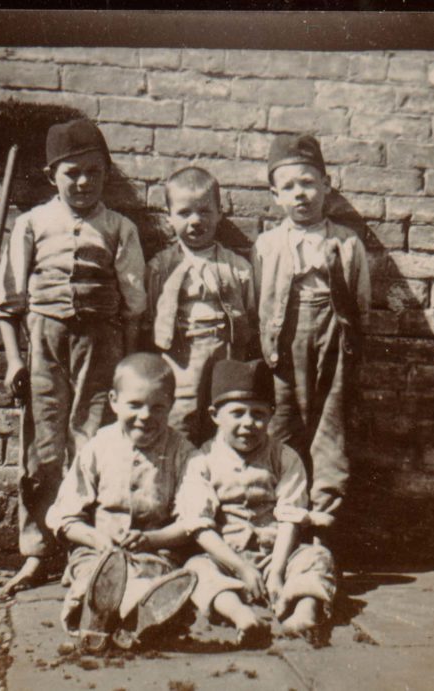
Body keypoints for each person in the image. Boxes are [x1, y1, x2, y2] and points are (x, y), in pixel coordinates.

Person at [0, 119, 147, 594]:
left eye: (93, 172)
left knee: (94, 444)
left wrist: (128, 366)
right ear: (51, 176)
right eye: (72, 173)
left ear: (106, 174)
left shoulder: (119, 228)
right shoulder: (32, 224)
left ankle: (86, 553)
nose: (83, 183)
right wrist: (14, 360)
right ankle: (37, 551)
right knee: (41, 450)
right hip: (44, 343)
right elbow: (8, 304)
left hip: (102, 347)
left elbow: (134, 307)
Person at [251, 134, 371, 545]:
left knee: (330, 427)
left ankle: (323, 523)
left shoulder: (347, 242)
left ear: (326, 185)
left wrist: (349, 344)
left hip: (334, 338)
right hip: (283, 344)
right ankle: (278, 525)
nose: (300, 194)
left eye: (307, 183)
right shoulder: (267, 245)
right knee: (283, 424)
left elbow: (361, 302)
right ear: (275, 196)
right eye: (288, 187)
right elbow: (259, 300)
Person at [176, 359, 336, 646]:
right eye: (237, 413)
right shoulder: (201, 461)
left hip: (276, 553)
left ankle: (304, 612)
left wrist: (277, 571)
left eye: (258, 414)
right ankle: (242, 617)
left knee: (317, 557)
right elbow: (200, 526)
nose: (248, 423)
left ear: (271, 414)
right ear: (215, 415)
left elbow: (290, 517)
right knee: (196, 569)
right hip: (227, 557)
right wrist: (241, 568)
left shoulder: (284, 457)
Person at [46, 353, 199, 652]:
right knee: (93, 578)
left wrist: (152, 539)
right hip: (98, 553)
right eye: (135, 405)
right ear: (114, 401)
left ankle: (136, 620)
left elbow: (193, 521)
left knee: (152, 581)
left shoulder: (184, 453)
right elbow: (64, 517)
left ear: (171, 405)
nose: (145, 416)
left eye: (157, 407)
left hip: (152, 555)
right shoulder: (99, 447)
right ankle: (97, 615)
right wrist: (97, 539)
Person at [144, 166, 256, 445]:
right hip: (181, 351)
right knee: (183, 414)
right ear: (169, 217)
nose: (195, 221)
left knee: (225, 411)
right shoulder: (160, 266)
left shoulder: (236, 266)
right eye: (184, 213)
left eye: (205, 211)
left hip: (225, 347)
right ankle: (180, 465)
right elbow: (151, 311)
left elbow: (250, 310)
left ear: (220, 213)